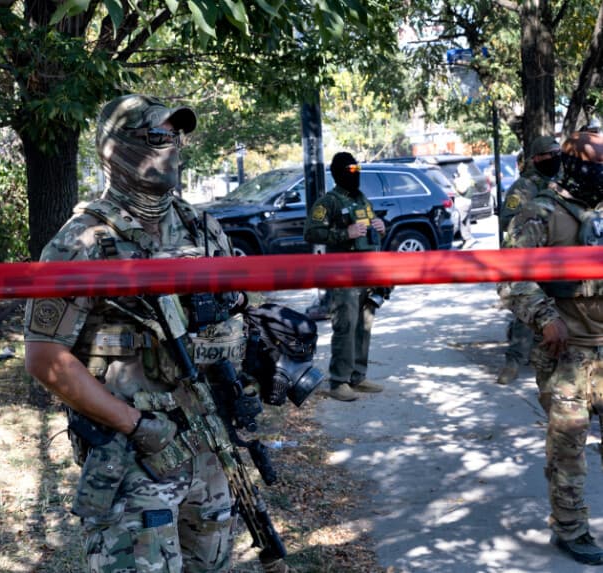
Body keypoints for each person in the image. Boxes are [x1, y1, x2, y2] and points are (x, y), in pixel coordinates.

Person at [23, 94, 289, 573]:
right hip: (133, 456)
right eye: (155, 137)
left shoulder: (203, 230)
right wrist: (135, 425)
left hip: (210, 447)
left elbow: (239, 310)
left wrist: (254, 367)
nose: (170, 147)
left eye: (175, 136)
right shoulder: (80, 243)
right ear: (115, 148)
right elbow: (44, 357)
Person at [498, 130, 603, 565]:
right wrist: (545, 317)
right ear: (577, 167)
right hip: (569, 354)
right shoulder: (540, 213)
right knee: (569, 445)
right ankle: (570, 527)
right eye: (598, 167)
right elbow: (511, 277)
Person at [304, 152, 386, 402]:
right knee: (346, 325)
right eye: (350, 171)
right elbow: (311, 233)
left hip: (368, 271)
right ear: (338, 174)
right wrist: (344, 233)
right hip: (344, 273)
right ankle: (338, 381)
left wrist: (381, 226)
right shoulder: (328, 202)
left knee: (365, 324)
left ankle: (357, 376)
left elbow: (370, 227)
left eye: (357, 169)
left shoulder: (361, 199)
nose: (355, 175)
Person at [496, 135, 563, 385]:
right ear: (536, 158)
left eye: (557, 153)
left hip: (558, 258)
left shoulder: (563, 181)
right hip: (531, 257)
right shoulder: (524, 187)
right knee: (527, 312)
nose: (554, 159)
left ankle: (550, 357)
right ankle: (513, 361)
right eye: (549, 155)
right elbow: (507, 220)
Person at [452, 162, 475, 249]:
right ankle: (466, 240)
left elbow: (462, 190)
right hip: (466, 202)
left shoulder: (464, 178)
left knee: (459, 222)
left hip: (463, 203)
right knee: (465, 221)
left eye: (458, 170)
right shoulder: (469, 177)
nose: (457, 172)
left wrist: (455, 182)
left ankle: (468, 239)